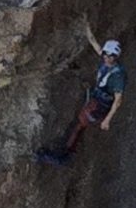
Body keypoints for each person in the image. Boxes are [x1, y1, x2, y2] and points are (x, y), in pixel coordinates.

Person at [37, 31, 127, 164]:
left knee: (79, 124)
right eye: (106, 54)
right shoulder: (106, 61)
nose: (107, 58)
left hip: (100, 106)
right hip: (96, 99)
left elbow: (118, 100)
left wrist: (107, 120)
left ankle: (61, 157)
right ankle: (65, 153)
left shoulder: (118, 75)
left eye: (111, 56)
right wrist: (86, 27)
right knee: (79, 124)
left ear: (116, 56)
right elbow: (95, 45)